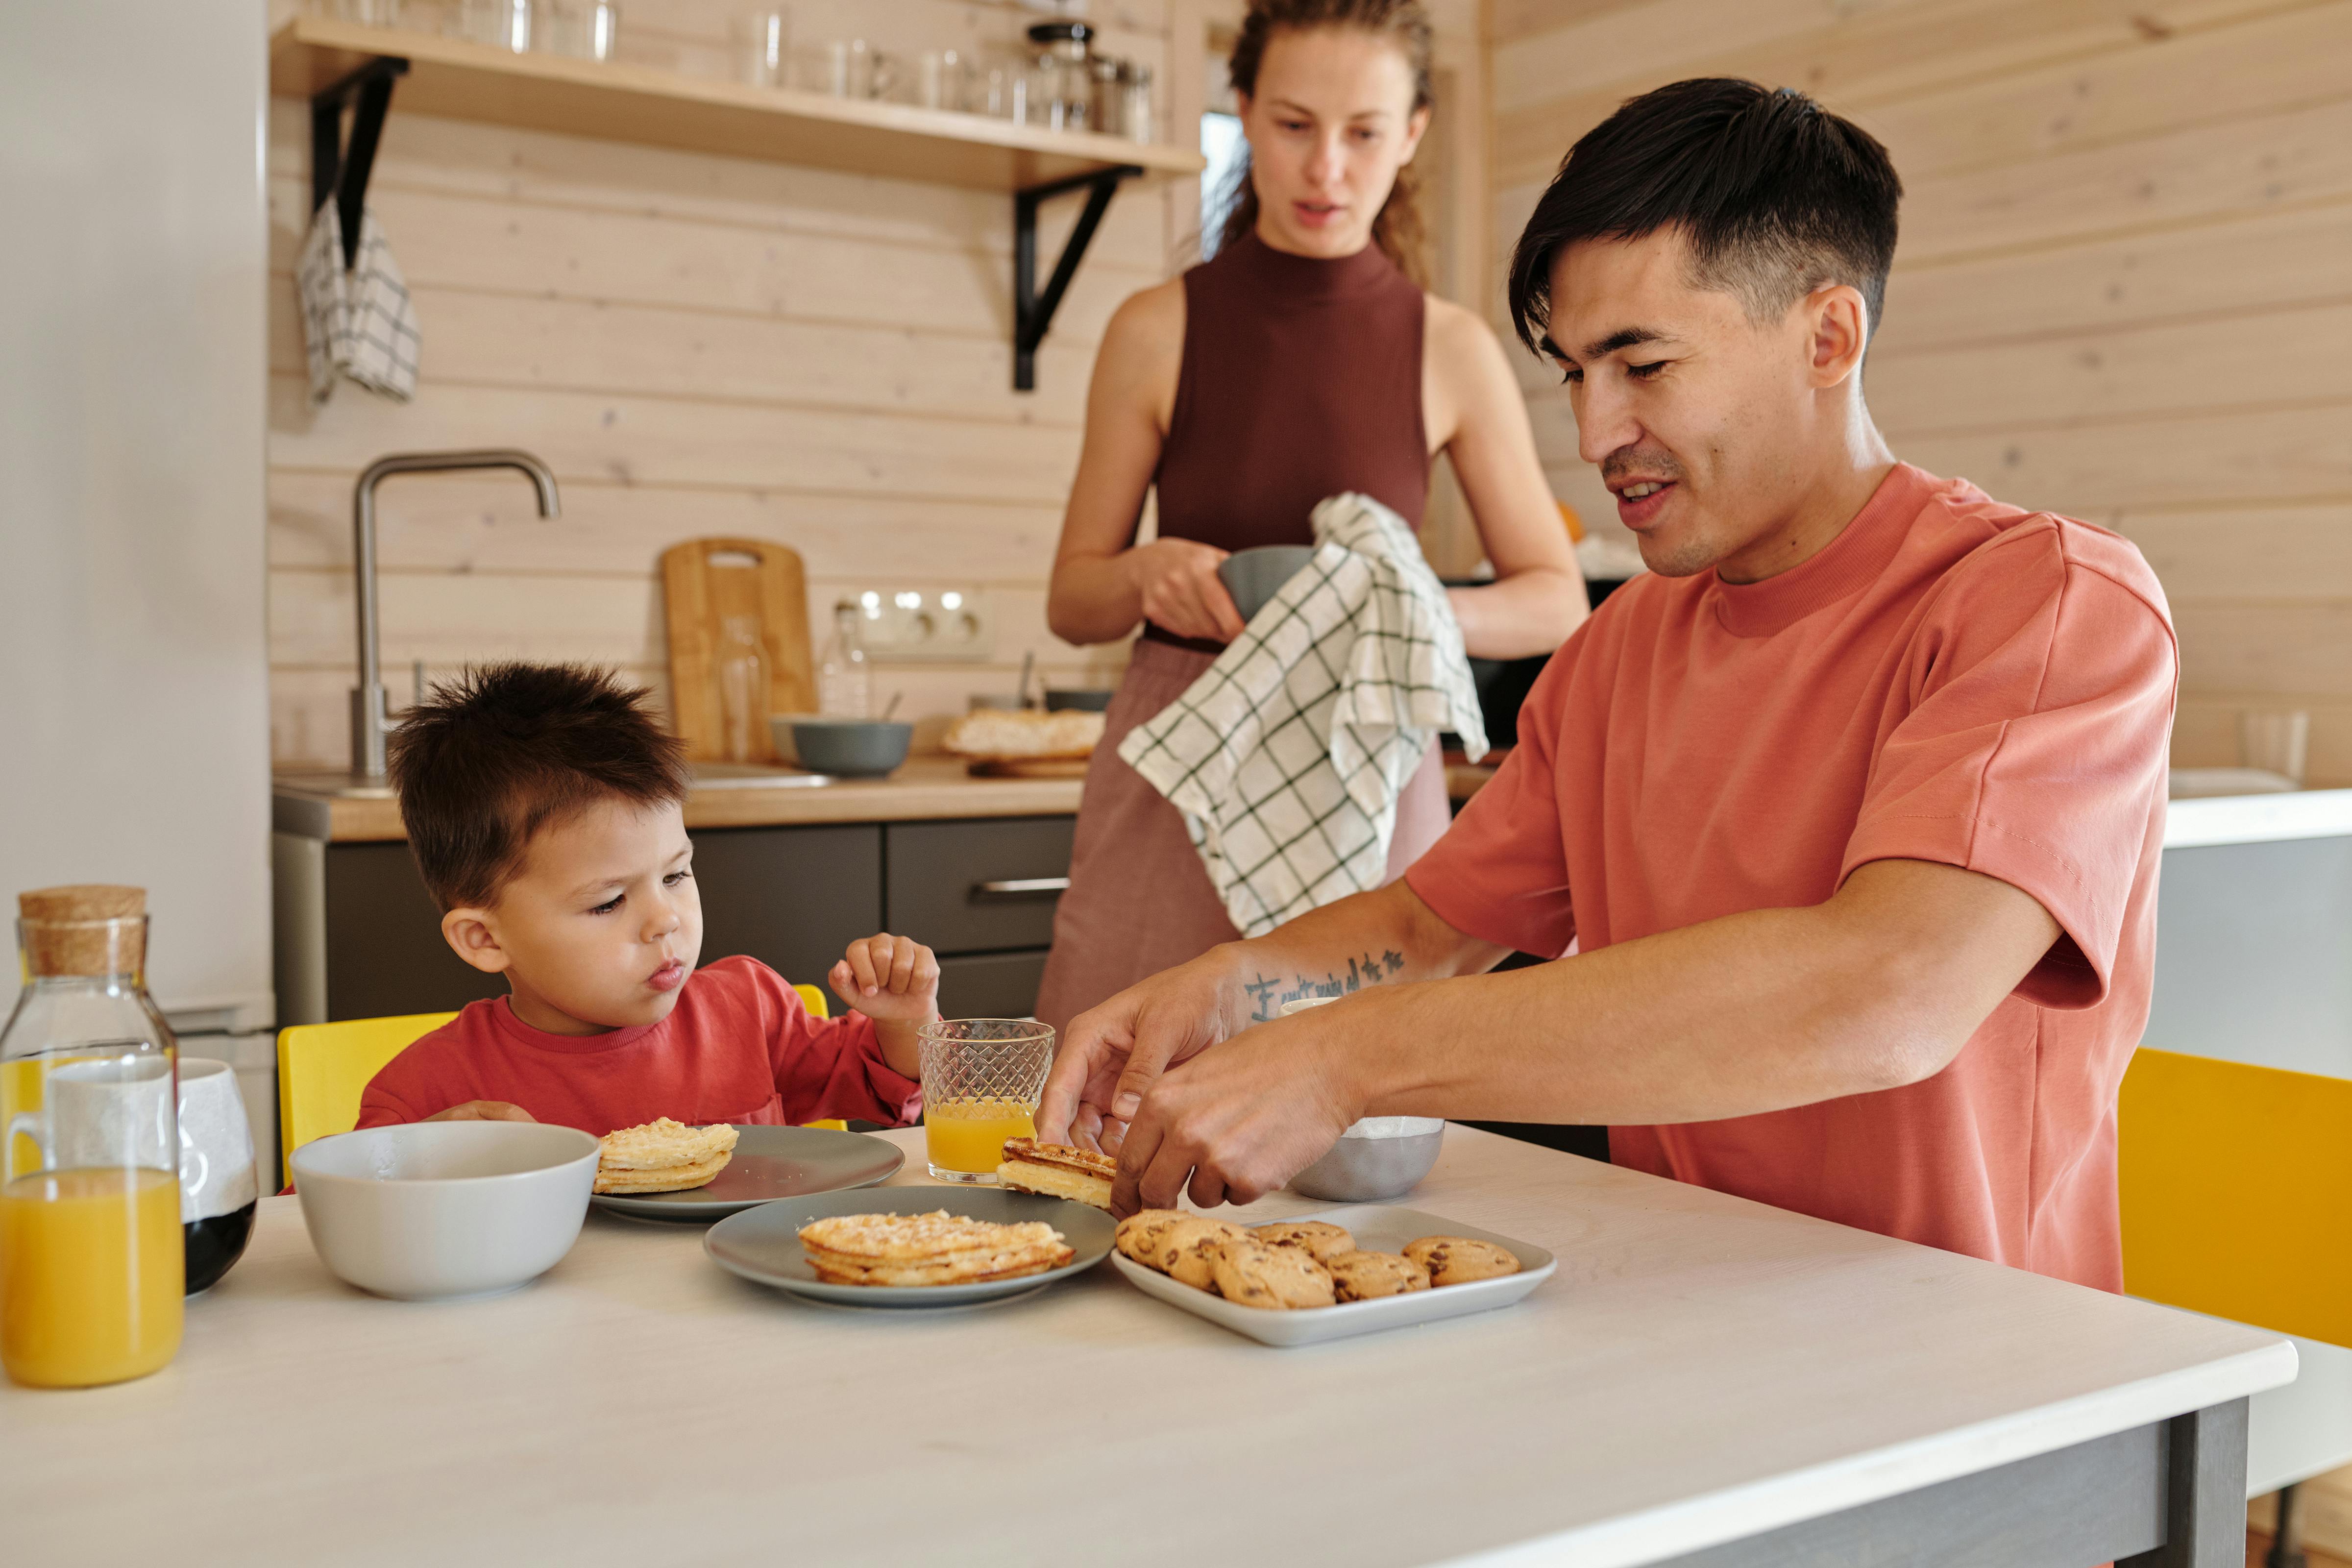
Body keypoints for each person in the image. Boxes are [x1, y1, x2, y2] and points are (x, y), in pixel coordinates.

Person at [1038, 78, 2179, 1293]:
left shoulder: (2046, 602)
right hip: (1673, 1312)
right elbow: (1432, 931)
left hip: (1981, 1368)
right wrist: (1221, 990)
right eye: (1574, 372)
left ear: (1826, 338)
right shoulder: (1622, 643)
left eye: (1640, 365)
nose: (1592, 434)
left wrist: (1342, 1060)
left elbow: (1882, 991)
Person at [1032, 0, 1587, 1036]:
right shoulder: (1154, 329)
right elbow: (1074, 597)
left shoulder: (1451, 347)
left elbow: (1556, 601)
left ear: (1413, 132)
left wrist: (1400, 607)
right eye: (1293, 125)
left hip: (1368, 741)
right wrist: (1146, 572)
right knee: (1113, 1084)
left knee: (1362, 1108)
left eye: (1364, 133)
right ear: (1242, 110)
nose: (1327, 167)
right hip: (1180, 749)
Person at [356, 663, 939, 1135]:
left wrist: (907, 1018)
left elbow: (883, 1084)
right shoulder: (430, 1087)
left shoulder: (749, 1012)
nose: (664, 920)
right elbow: (299, 1224)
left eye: (676, 875)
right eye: (608, 902)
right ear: (485, 938)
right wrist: (421, 1161)